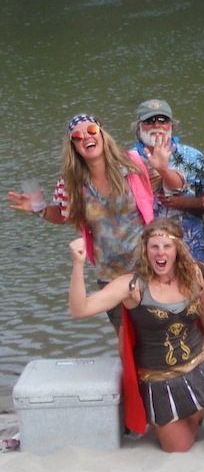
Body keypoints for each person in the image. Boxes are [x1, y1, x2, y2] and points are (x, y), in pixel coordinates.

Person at [66, 220, 204, 452]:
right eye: (154, 247)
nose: (160, 253)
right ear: (145, 250)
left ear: (178, 250)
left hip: (202, 363)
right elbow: (79, 309)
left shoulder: (196, 274)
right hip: (159, 377)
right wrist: (78, 265)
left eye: (167, 246)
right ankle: (195, 411)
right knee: (179, 448)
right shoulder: (131, 286)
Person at [8, 114, 157, 329]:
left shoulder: (132, 163)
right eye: (77, 136)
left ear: (102, 134)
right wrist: (37, 209)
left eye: (91, 131)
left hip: (150, 267)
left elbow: (154, 197)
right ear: (74, 146)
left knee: (158, 336)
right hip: (110, 275)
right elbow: (63, 215)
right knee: (126, 341)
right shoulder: (70, 183)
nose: (86, 137)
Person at [130, 99, 204, 268]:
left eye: (163, 120)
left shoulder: (194, 157)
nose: (157, 125)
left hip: (192, 251)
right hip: (146, 257)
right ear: (138, 126)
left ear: (171, 124)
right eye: (149, 121)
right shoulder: (125, 162)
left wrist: (184, 202)